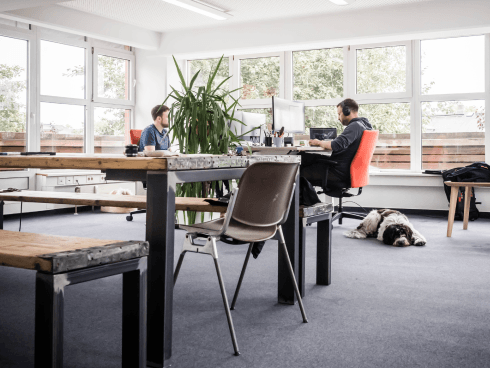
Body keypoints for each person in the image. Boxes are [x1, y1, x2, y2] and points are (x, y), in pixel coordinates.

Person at [301, 98, 372, 191]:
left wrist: (318, 142)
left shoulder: (355, 126)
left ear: (347, 111)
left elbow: (335, 145)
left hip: (338, 172)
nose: (338, 118)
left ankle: (305, 203)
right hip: (343, 168)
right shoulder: (364, 125)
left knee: (296, 172)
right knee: (303, 157)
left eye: (339, 114)